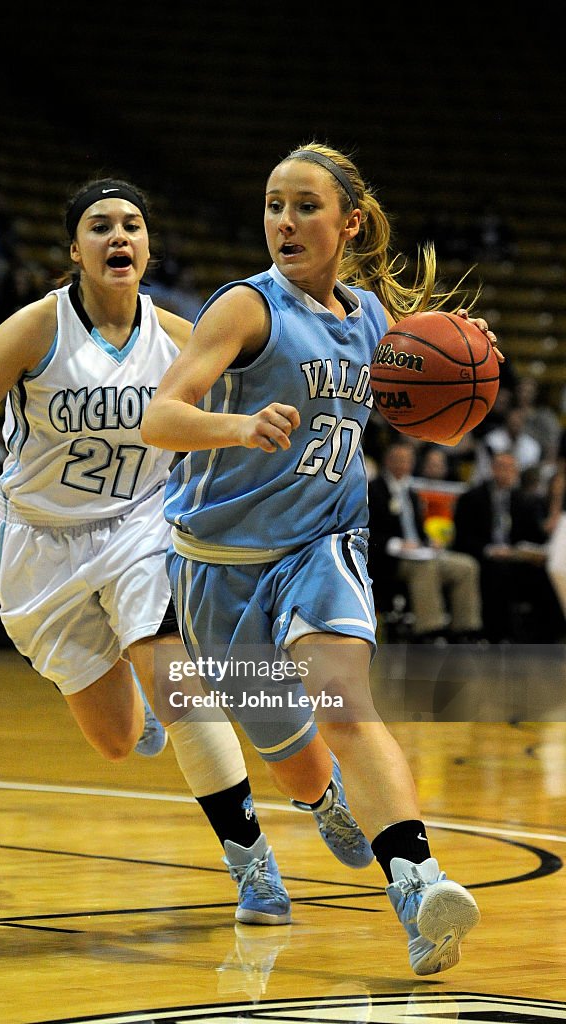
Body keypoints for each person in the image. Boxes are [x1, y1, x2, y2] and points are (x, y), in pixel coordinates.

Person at [0, 177, 363, 925]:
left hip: (140, 529)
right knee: (118, 741)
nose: (118, 235)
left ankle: (254, 867)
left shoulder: (182, 337)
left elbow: (260, 405)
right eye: (100, 226)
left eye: (131, 224)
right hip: (39, 547)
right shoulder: (35, 328)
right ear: (75, 251)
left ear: (148, 247)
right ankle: (137, 686)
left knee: (178, 689)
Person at [141, 141, 504, 974]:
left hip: (322, 545)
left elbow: (431, 374)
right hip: (213, 566)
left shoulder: (373, 319)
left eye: (306, 206)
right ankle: (327, 800)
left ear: (351, 222)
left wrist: (464, 349)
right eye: (274, 204)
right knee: (297, 755)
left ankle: (418, 886)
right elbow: (160, 417)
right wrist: (235, 426)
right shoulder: (244, 308)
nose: (285, 222)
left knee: (343, 705)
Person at [368, 440, 483, 642]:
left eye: (407, 460)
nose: (403, 465)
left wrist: (430, 542)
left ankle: (465, 629)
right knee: (425, 567)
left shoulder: (411, 492)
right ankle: (430, 630)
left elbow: (418, 529)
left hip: (420, 552)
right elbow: (369, 531)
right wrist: (397, 544)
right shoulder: (374, 490)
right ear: (387, 461)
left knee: (466, 566)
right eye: (399, 459)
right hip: (390, 559)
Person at [453, 450, 565, 643]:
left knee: (545, 575)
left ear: (516, 472)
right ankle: (498, 635)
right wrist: (490, 550)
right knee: (497, 573)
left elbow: (535, 536)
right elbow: (462, 538)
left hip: (516, 559)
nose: (505, 472)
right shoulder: (471, 498)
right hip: (486, 557)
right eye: (501, 467)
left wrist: (532, 552)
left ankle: (546, 638)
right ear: (492, 469)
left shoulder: (526, 500)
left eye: (510, 468)